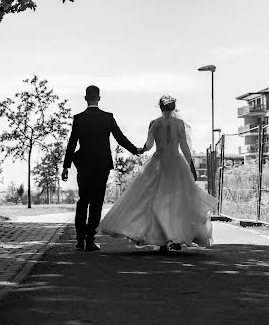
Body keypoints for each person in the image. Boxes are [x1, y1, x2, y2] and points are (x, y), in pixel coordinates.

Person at [99, 94, 216, 252]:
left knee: (155, 201)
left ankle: (161, 240)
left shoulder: (154, 123)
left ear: (160, 107)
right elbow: (185, 147)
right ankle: (176, 238)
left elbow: (149, 145)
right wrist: (190, 165)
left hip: (159, 163)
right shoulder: (180, 123)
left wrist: (140, 150)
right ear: (173, 107)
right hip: (176, 163)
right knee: (178, 201)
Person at [61, 85, 140, 251]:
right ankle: (90, 239)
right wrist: (136, 150)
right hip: (101, 165)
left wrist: (66, 166)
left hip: (83, 165)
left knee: (83, 200)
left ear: (85, 98)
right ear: (99, 98)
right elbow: (120, 138)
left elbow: (72, 143)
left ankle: (79, 239)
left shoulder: (79, 118)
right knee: (97, 201)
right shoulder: (107, 117)